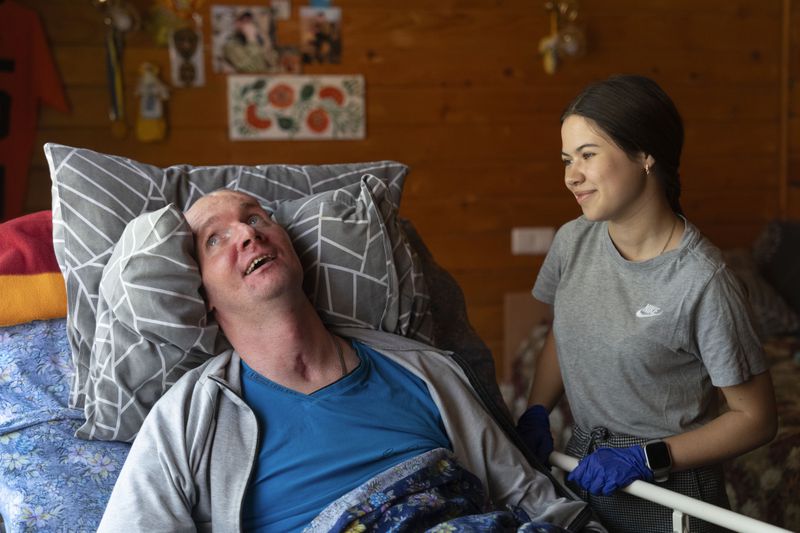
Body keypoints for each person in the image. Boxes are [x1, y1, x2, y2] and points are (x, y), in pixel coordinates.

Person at [98, 189, 605, 532]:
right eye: (216, 238)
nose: (247, 234)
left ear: (291, 248)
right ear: (202, 295)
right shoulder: (187, 417)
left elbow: (527, 493)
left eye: (255, 218)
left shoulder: (424, 370)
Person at [515, 74, 778, 533]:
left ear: (645, 154)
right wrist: (537, 409)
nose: (570, 176)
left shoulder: (703, 281)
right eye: (566, 159)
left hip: (671, 497)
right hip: (585, 475)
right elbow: (564, 329)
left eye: (588, 155)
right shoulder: (572, 241)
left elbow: (756, 420)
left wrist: (648, 456)